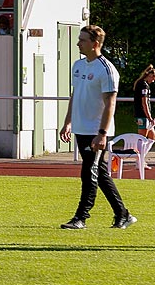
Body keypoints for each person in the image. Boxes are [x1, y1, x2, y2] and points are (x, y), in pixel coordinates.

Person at [60, 24, 135, 230]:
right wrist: (68, 122)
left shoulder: (107, 70)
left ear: (94, 44)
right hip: (81, 129)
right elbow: (76, 95)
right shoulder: (79, 65)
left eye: (82, 40)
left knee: (89, 173)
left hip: (96, 132)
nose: (78, 43)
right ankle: (123, 214)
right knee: (100, 173)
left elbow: (111, 104)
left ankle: (80, 218)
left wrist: (102, 134)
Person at [134, 64, 155, 137]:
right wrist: (149, 118)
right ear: (150, 75)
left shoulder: (141, 83)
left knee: (152, 137)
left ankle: (143, 148)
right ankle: (135, 148)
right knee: (142, 138)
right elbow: (144, 103)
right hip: (142, 115)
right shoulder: (143, 85)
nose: (153, 81)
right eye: (153, 78)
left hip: (143, 115)